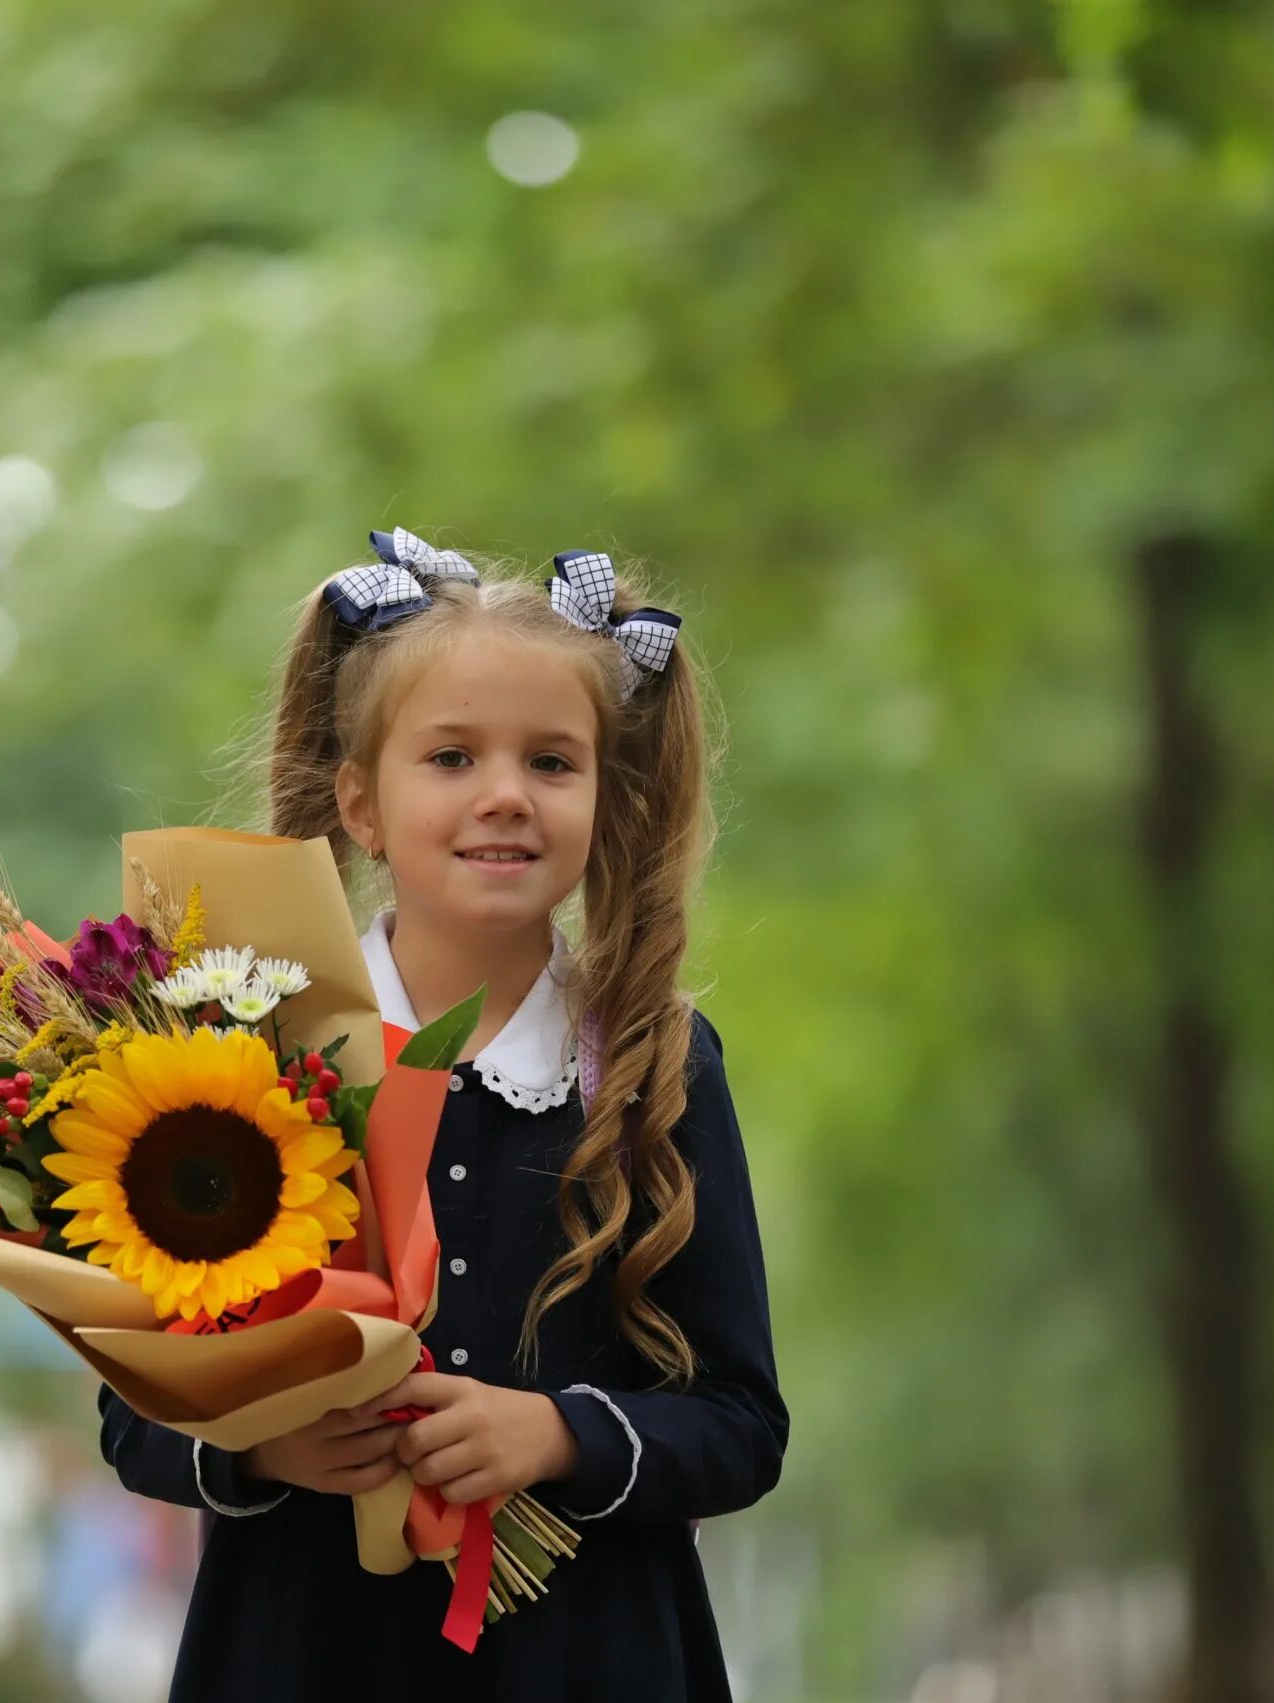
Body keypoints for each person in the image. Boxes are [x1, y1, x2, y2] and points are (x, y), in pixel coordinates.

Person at [96, 529, 788, 1699]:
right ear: (361, 801)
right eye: (454, 756)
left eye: (553, 763)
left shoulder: (657, 1063)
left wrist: (556, 1432)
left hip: (588, 1661)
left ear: (604, 799)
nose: (505, 795)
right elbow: (133, 1414)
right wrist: (262, 1443)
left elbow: (739, 1422)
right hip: (298, 1650)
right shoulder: (240, 1049)